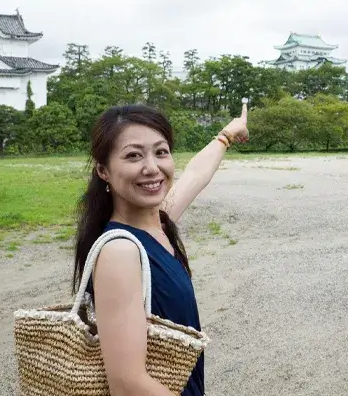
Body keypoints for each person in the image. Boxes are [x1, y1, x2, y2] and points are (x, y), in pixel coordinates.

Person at [72, 102, 249, 396]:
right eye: (133, 156)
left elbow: (194, 176)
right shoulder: (120, 252)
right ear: (103, 170)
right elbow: (127, 385)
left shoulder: (157, 223)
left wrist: (226, 135)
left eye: (161, 152)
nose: (152, 168)